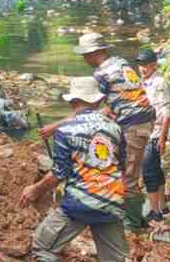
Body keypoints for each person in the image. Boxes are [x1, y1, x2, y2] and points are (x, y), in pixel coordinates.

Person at [19, 77, 130, 262]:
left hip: (81, 201)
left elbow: (60, 172)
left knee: (44, 244)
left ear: (74, 102)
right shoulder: (114, 128)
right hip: (112, 200)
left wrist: (36, 189)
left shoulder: (66, 130)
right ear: (96, 100)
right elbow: (121, 164)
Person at [44, 33, 154, 231]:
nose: (84, 59)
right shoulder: (121, 62)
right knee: (126, 170)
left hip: (133, 125)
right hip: (141, 122)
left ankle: (133, 226)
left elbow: (88, 112)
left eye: (85, 55)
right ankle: (133, 217)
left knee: (128, 176)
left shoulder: (102, 74)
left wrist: (55, 127)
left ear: (95, 53)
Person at [134, 48, 170, 223]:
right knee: (156, 169)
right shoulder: (144, 82)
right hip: (146, 131)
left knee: (149, 172)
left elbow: (166, 113)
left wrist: (163, 138)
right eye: (140, 64)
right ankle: (162, 206)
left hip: (154, 133)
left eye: (146, 65)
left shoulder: (159, 83)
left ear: (154, 65)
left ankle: (155, 212)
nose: (142, 68)